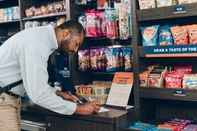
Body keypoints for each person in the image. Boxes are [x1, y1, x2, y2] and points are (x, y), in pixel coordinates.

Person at [0, 20, 100, 131]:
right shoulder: (37, 42)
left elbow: (33, 80)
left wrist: (57, 93)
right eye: (77, 44)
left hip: (8, 98)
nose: (76, 50)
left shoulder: (41, 39)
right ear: (66, 33)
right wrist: (79, 108)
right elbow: (38, 94)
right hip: (3, 99)